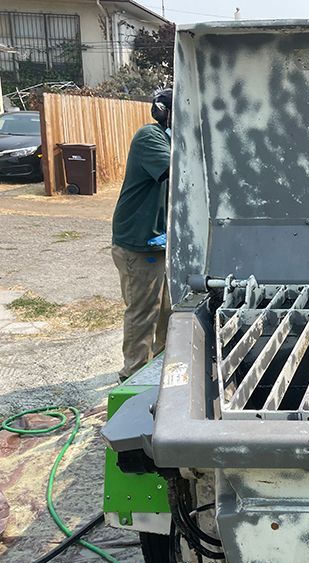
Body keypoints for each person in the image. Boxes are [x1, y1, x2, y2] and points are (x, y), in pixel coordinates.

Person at [111, 89, 173, 382]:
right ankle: (132, 376)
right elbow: (176, 170)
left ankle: (160, 368)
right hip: (139, 241)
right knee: (143, 312)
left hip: (161, 241)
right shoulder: (150, 137)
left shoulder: (171, 139)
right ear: (164, 112)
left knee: (168, 310)